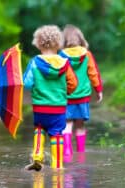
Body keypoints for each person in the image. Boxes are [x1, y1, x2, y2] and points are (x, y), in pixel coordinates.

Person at [23, 25, 78, 171]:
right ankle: (58, 165)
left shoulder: (34, 62)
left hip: (40, 107)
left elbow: (27, 84)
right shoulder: (65, 63)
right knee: (56, 134)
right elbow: (73, 83)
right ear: (58, 44)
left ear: (39, 44)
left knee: (39, 129)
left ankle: (37, 157)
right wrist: (65, 93)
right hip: (58, 108)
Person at [59, 24, 103, 161]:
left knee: (67, 124)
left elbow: (57, 75)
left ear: (64, 40)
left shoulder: (61, 56)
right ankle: (81, 153)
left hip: (66, 96)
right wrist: (99, 90)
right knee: (80, 124)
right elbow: (93, 73)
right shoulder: (87, 55)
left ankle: (67, 150)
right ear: (81, 39)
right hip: (83, 96)